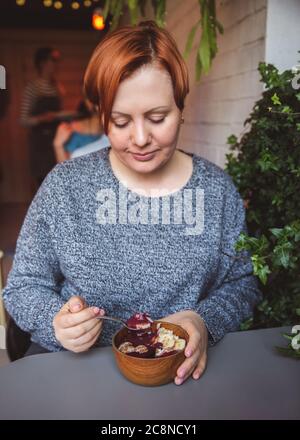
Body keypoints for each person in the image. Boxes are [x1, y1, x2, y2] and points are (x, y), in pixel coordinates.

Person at [3, 21, 261, 386]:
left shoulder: (216, 191)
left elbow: (242, 285)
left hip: (181, 380)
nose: (140, 138)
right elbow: (23, 285)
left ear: (181, 108)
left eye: (158, 118)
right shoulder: (66, 186)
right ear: (100, 113)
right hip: (77, 378)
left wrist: (205, 320)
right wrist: (55, 322)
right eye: (121, 121)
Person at [20, 47, 64, 187]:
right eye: (53, 60)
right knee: (44, 183)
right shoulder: (33, 88)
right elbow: (23, 120)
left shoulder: (57, 87)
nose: (56, 64)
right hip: (40, 143)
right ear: (42, 63)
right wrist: (41, 119)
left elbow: (60, 112)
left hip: (56, 139)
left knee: (58, 181)